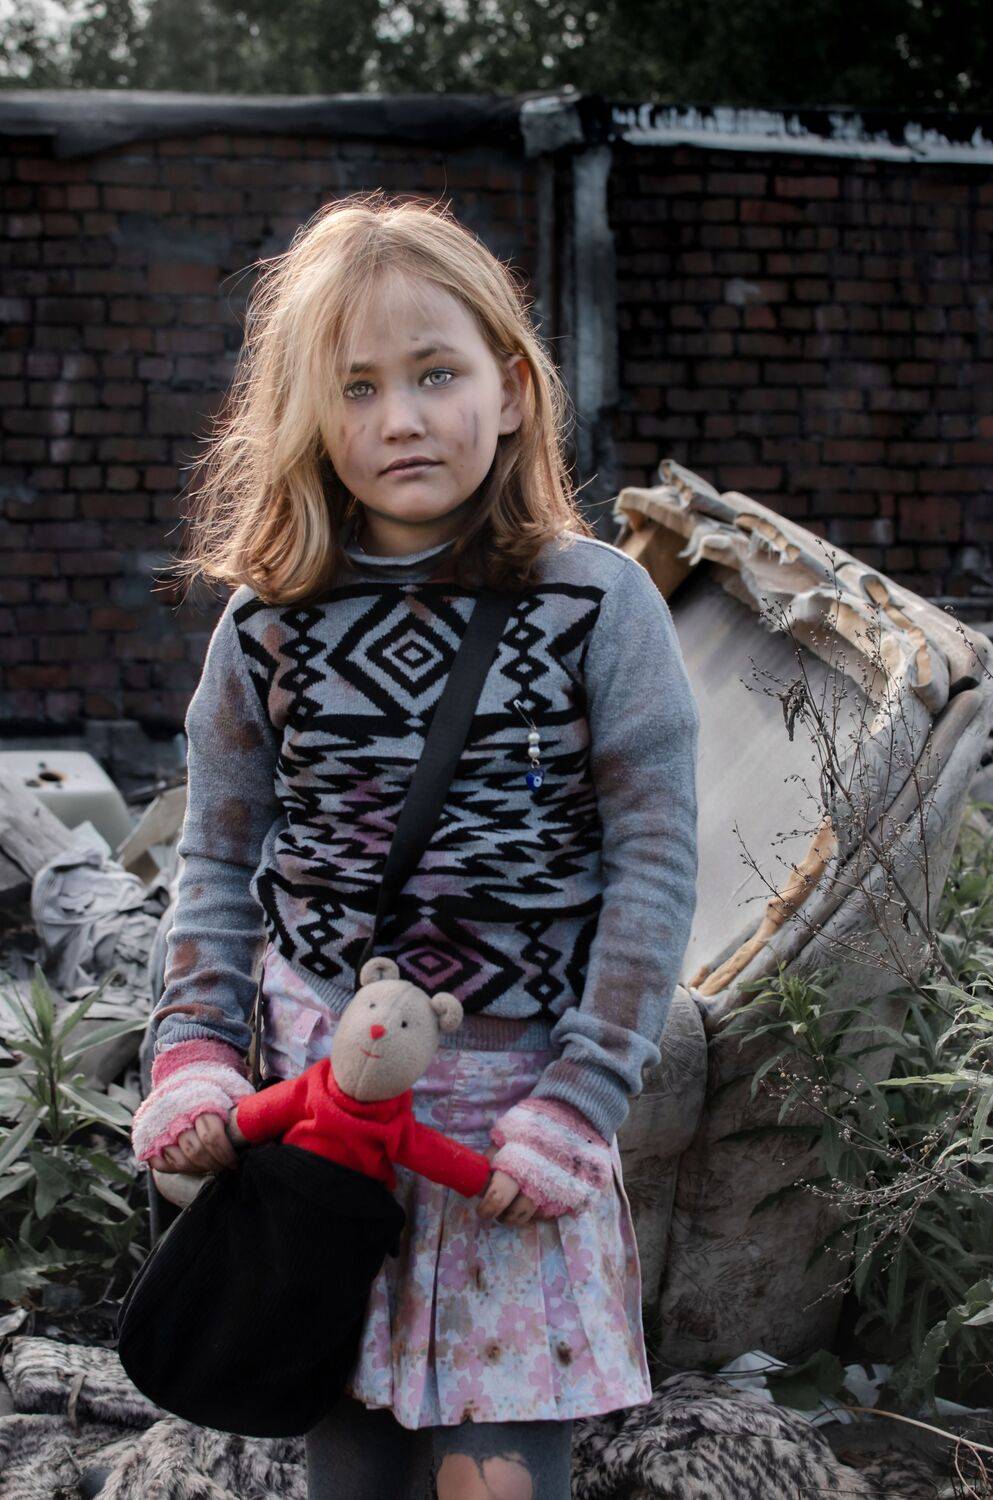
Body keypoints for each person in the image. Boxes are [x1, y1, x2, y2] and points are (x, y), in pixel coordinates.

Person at [129, 190, 700, 1500]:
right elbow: (215, 863)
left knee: (498, 1480)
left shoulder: (597, 604)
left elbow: (655, 869)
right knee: (355, 1462)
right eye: (358, 387)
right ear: (307, 417)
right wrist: (195, 1054)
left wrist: (582, 1101)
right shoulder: (266, 627)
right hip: (326, 1122)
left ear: (510, 390)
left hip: (516, 1131)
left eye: (436, 373)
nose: (400, 417)